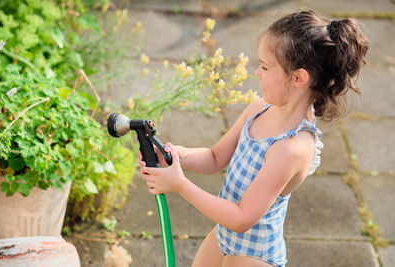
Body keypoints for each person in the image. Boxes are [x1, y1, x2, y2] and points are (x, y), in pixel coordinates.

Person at [138, 10, 368, 267]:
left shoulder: (292, 148)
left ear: (298, 78)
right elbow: (215, 158)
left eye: (265, 67)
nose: (257, 73)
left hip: (253, 255)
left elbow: (241, 217)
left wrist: (180, 184)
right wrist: (175, 155)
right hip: (224, 236)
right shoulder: (258, 109)